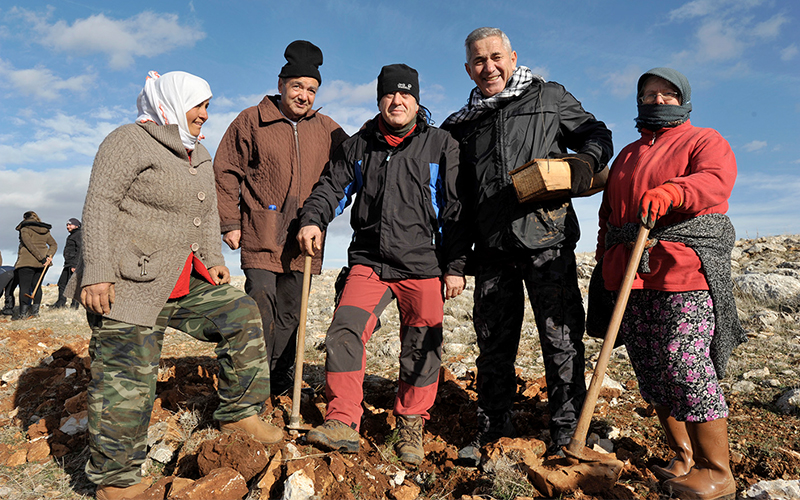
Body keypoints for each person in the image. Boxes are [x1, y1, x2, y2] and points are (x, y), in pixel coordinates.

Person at [64, 71, 281, 500]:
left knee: (241, 313)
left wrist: (215, 262)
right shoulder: (128, 140)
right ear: (171, 102)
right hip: (127, 283)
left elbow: (205, 217)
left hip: (181, 281)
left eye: (207, 106)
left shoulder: (196, 153)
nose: (205, 114)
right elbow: (100, 203)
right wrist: (98, 271)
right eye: (198, 105)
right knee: (126, 379)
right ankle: (116, 480)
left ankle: (238, 413)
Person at [441, 27, 613, 462]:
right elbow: (457, 204)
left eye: (496, 57)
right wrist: (457, 261)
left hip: (548, 243)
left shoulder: (549, 97)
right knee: (493, 345)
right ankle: (494, 428)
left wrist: (584, 162)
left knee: (561, 342)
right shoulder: (461, 126)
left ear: (513, 58)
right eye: (479, 61)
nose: (489, 67)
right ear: (468, 69)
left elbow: (596, 134)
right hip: (493, 252)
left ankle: (567, 434)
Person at [297, 64, 468, 466]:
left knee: (423, 345)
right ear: (379, 100)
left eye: (405, 95)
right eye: (390, 95)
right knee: (344, 330)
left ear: (417, 99)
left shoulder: (442, 145)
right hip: (370, 263)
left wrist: (455, 264)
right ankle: (342, 419)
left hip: (423, 265)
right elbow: (331, 189)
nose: (398, 101)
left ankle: (410, 423)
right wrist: (312, 219)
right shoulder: (359, 145)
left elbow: (456, 209)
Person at [594, 67, 743, 500]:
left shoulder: (704, 140)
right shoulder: (625, 155)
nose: (658, 100)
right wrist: (606, 261)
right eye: (649, 94)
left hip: (683, 271)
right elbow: (608, 218)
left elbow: (715, 181)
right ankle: (684, 457)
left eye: (668, 94)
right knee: (653, 370)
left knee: (684, 363)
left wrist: (672, 192)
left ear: (684, 100)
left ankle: (718, 472)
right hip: (631, 275)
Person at [214, 40, 348, 396]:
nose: (304, 95)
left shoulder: (329, 130)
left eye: (311, 89)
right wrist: (229, 222)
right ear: (280, 85)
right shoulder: (251, 120)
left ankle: (281, 377)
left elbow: (351, 170)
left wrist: (328, 214)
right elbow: (226, 170)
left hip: (303, 240)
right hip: (260, 232)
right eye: (297, 86)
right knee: (261, 301)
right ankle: (252, 377)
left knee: (292, 312)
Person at [12, 211, 56, 320]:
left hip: (26, 262)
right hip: (43, 264)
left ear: (24, 218)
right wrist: (48, 257)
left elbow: (29, 245)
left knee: (25, 287)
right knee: (37, 285)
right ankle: (35, 313)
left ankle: (23, 314)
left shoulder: (25, 229)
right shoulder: (44, 230)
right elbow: (54, 244)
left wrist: (42, 258)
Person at [51, 218, 82, 309]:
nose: (68, 227)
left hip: (74, 264)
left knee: (75, 284)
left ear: (76, 226)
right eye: (67, 225)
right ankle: (60, 303)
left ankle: (75, 305)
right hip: (68, 264)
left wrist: (75, 265)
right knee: (62, 283)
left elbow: (80, 250)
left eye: (70, 225)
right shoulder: (72, 235)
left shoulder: (78, 235)